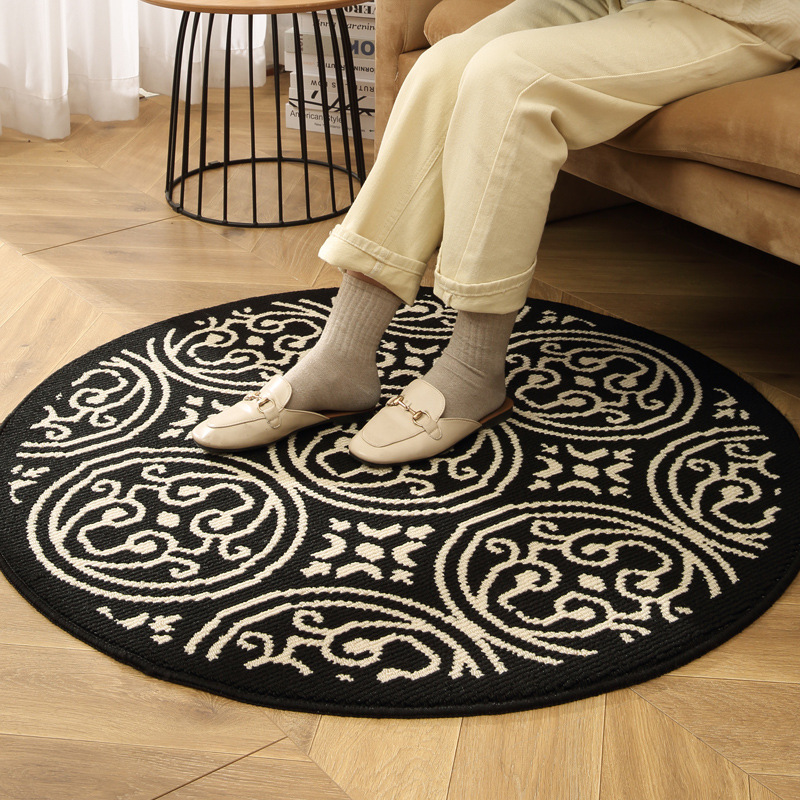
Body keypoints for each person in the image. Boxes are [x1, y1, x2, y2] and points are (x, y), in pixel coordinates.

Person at [192, 0, 797, 465]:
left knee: (510, 77)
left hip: (743, 13)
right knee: (445, 65)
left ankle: (475, 368)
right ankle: (342, 356)